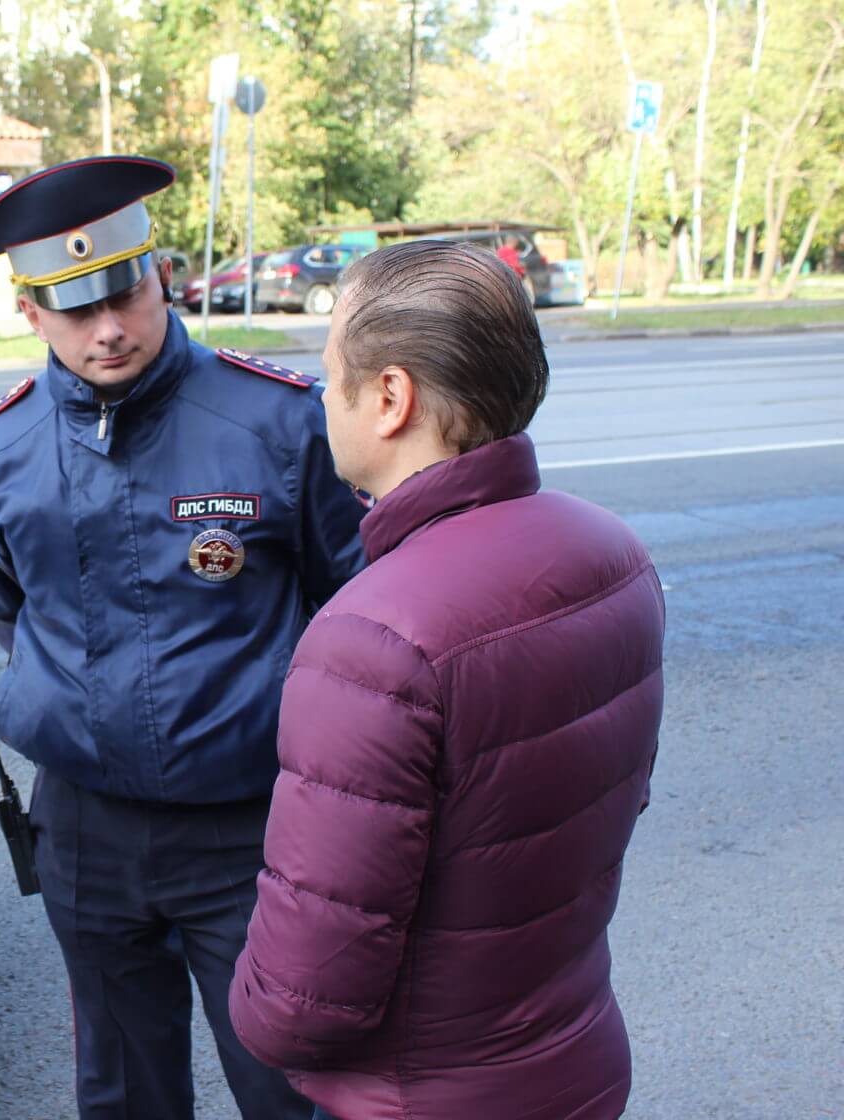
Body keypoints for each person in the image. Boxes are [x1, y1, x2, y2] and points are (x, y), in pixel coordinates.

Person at [0, 156, 367, 1120]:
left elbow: (348, 606)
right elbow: (6, 609)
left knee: (286, 1086)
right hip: (85, 833)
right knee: (124, 1091)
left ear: (162, 276)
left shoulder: (276, 419)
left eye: (124, 294)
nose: (107, 329)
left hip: (249, 830)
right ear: (29, 312)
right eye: (71, 309)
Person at [228, 240, 665, 1120]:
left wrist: (250, 1010)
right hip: (572, 1057)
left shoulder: (372, 637)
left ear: (390, 398)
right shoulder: (610, 552)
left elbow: (302, 1002)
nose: (320, 404)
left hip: (422, 1095)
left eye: (329, 377)